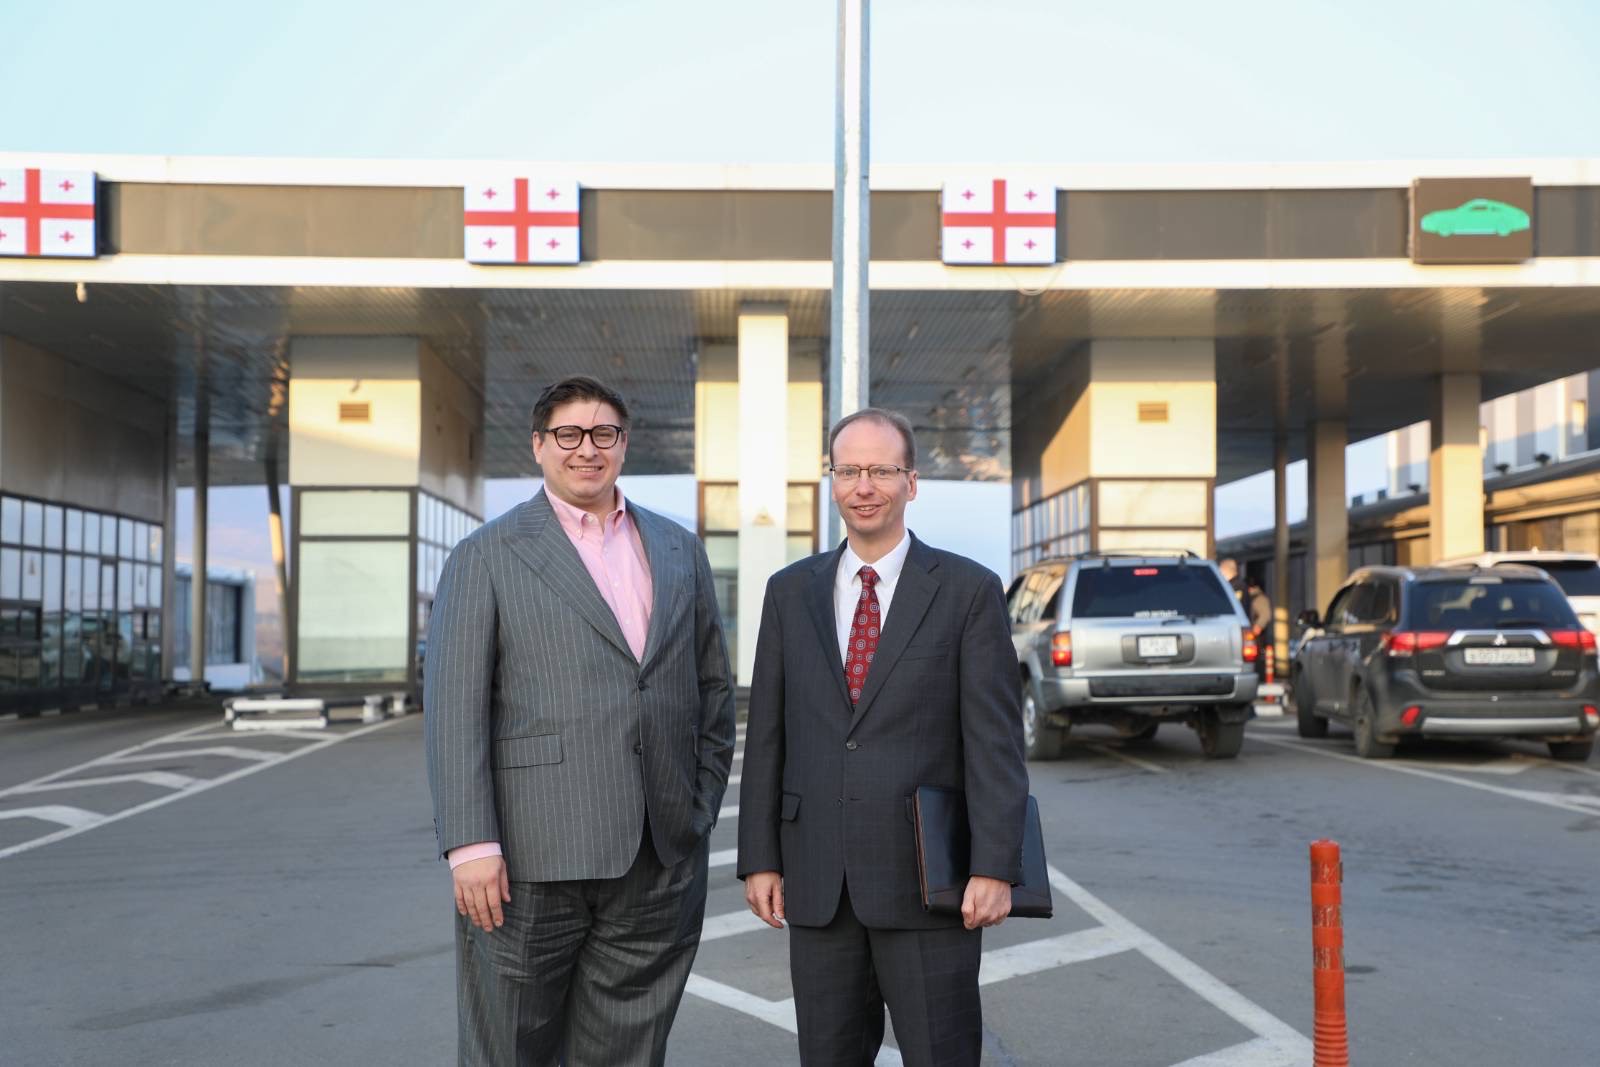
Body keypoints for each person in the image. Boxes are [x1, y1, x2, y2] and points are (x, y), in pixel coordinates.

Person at [424, 375, 736, 1066]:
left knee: (630, 1050)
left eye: (603, 433)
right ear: (539, 445)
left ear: (624, 444)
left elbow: (712, 687)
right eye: (568, 434)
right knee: (510, 1049)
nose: (587, 448)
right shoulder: (487, 554)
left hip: (659, 854)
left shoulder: (677, 548)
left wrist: (699, 806)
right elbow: (454, 709)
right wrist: (471, 845)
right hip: (529, 857)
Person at [737, 407, 1029, 1067]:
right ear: (832, 481)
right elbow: (769, 735)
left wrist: (994, 866)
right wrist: (760, 856)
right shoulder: (789, 592)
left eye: (880, 470)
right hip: (819, 883)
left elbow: (995, 744)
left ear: (911, 482)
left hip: (930, 882)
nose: (863, 486)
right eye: (848, 471)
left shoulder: (967, 591)